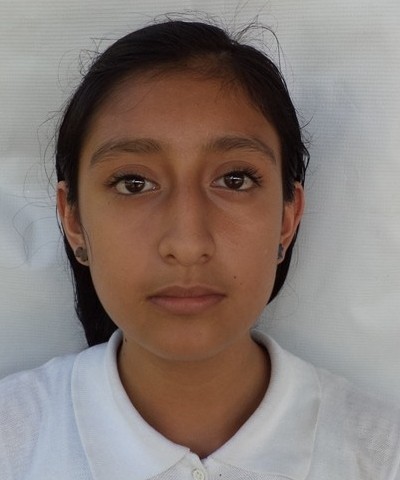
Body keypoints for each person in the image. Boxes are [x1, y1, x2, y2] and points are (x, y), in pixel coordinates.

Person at [1, 18, 400, 480]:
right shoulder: (14, 443)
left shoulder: (381, 455)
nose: (188, 245)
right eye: (134, 183)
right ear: (73, 220)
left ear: (287, 218)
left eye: (235, 180)